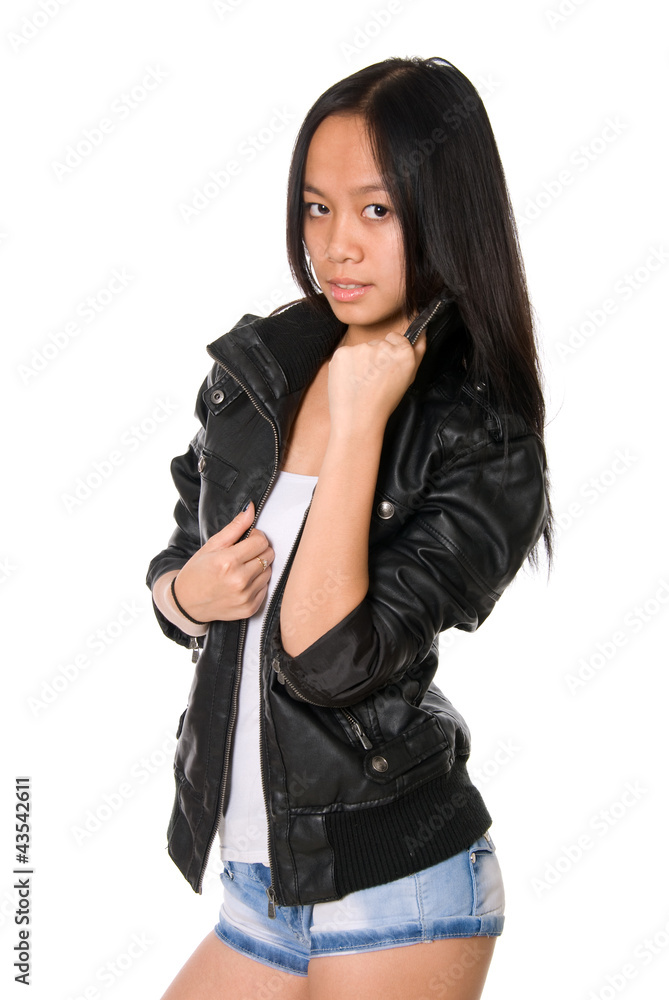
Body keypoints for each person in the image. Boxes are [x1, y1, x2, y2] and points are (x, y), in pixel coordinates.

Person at [146, 55, 553, 1000]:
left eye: (376, 210)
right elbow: (179, 563)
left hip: (394, 889)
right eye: (316, 208)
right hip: (259, 882)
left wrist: (362, 419)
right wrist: (185, 595)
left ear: (445, 214)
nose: (337, 246)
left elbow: (327, 657)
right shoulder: (256, 375)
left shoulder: (482, 437)